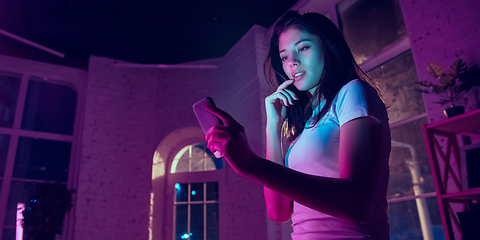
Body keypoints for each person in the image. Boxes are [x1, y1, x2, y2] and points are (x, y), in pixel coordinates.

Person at [205, 10, 391, 240]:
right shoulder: (307, 122)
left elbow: (355, 204)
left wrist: (252, 164)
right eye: (284, 56)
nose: (292, 62)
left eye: (303, 48)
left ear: (328, 46)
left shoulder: (353, 92)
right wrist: (273, 125)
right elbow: (279, 212)